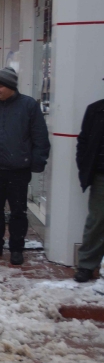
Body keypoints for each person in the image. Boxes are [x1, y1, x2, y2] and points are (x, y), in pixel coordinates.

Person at [0, 67, 50, 266]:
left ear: (10, 86)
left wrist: (36, 162)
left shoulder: (28, 106)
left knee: (18, 211)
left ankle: (17, 248)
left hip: (18, 169)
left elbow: (40, 136)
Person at [74, 90, 104, 282]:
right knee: (96, 221)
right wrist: (84, 166)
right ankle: (86, 265)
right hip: (101, 176)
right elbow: (83, 142)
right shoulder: (95, 110)